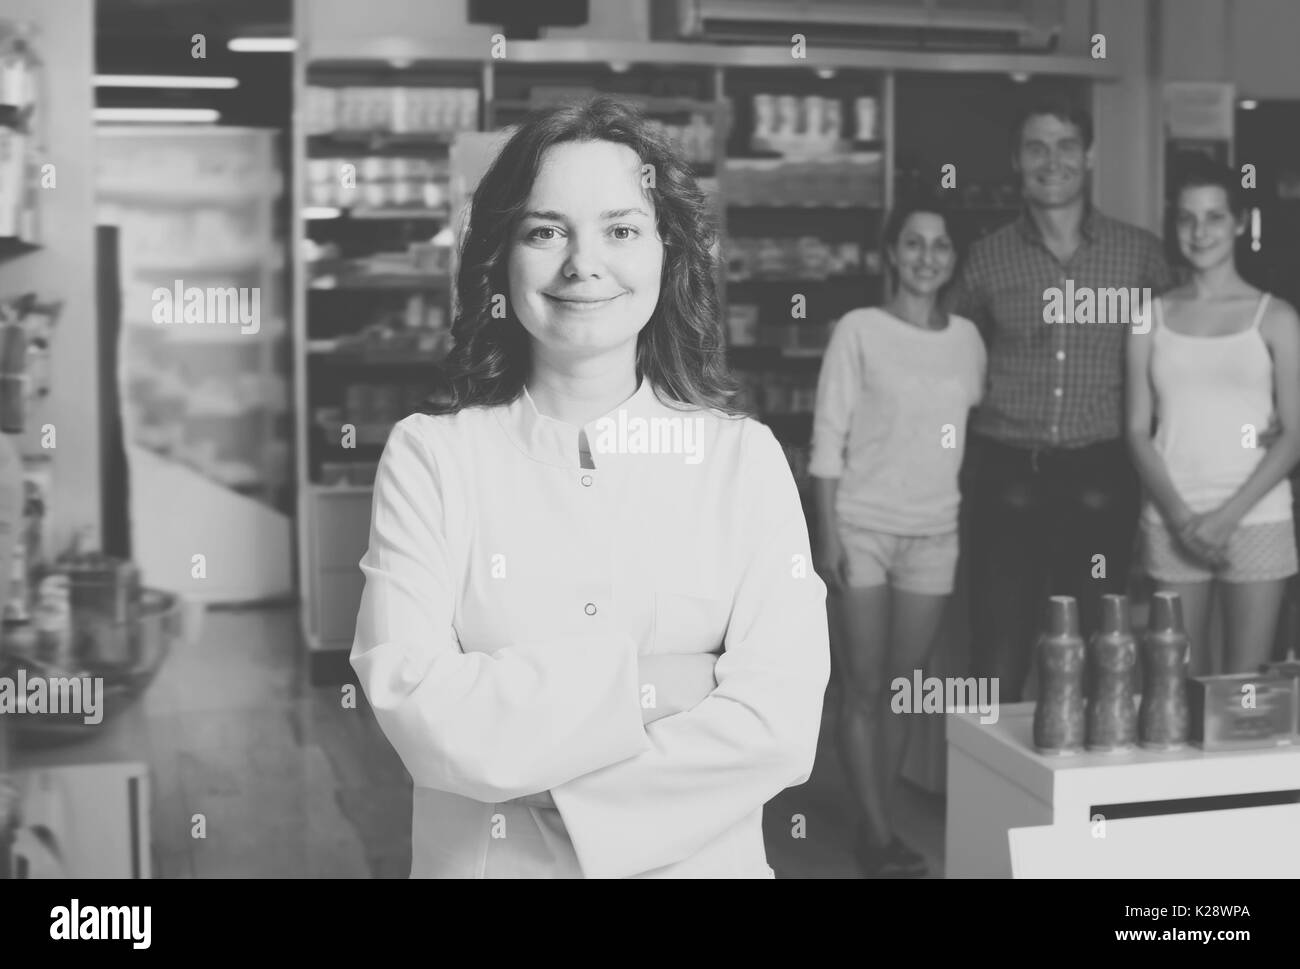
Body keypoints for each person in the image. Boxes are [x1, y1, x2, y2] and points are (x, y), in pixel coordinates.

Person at [349, 96, 830, 879]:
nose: (584, 263)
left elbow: (779, 722)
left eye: (621, 229)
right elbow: (417, 703)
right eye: (546, 231)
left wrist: (559, 786)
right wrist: (649, 686)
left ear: (669, 254)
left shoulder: (745, 461)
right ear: (501, 256)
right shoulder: (432, 457)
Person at [951, 98, 1177, 702]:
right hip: (1006, 478)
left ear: (1091, 154)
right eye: (1036, 147)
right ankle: (993, 795)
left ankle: (1083, 795)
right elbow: (946, 356)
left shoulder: (1141, 257)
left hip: (1101, 476)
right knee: (996, 656)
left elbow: (1187, 357)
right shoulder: (986, 258)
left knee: (1100, 653)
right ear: (1017, 161)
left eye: (1067, 145)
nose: (1052, 162)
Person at [810, 201, 985, 876]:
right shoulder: (859, 329)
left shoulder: (968, 338)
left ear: (953, 257)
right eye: (913, 242)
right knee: (862, 686)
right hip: (863, 527)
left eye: (940, 245)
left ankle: (874, 815)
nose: (927, 255)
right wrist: (828, 535)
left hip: (935, 532)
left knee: (906, 687)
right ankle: (878, 834)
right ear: (891, 252)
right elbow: (828, 439)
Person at [1126, 159, 1300, 675]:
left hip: (1257, 516)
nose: (1200, 232)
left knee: (1241, 694)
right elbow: (1135, 431)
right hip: (1172, 517)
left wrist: (1225, 519)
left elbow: (1294, 434)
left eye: (1215, 217)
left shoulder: (1277, 316)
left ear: (1241, 222)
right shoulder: (1149, 316)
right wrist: (1183, 520)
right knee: (1175, 687)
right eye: (1187, 219)